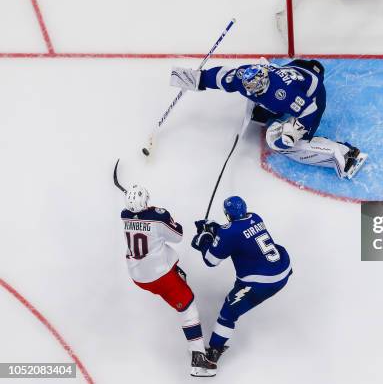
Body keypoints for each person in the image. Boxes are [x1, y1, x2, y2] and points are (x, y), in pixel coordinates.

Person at [170, 58, 367, 179]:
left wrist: (294, 131)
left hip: (313, 94)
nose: (249, 91)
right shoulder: (243, 78)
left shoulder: (282, 94)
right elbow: (223, 77)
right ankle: (271, 112)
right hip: (297, 68)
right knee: (263, 112)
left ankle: (345, 154)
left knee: (284, 144)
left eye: (254, 90)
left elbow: (310, 109)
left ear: (264, 85)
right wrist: (197, 78)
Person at [190, 196, 292, 376]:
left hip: (262, 282)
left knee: (228, 313)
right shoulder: (255, 217)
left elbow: (211, 260)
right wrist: (216, 229)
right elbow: (238, 233)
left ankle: (212, 355)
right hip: (283, 268)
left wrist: (204, 239)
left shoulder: (229, 232)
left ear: (227, 214)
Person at [120, 184, 212, 377]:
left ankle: (176, 278)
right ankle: (198, 359)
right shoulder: (158, 217)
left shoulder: (124, 215)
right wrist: (163, 216)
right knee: (187, 306)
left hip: (137, 275)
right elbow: (178, 236)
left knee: (175, 274)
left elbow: (140, 220)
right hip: (158, 276)